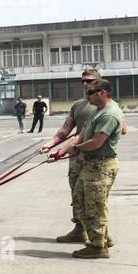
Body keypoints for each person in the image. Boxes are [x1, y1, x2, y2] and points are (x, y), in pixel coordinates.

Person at [42, 68, 122, 247]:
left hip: (94, 157)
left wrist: (81, 144)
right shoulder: (80, 105)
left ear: (100, 85)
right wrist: (53, 146)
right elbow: (66, 129)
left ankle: (99, 240)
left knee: (95, 200)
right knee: (79, 196)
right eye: (83, 82)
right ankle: (81, 230)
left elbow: (120, 129)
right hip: (77, 156)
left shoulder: (108, 107)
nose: (86, 85)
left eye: (90, 82)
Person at [67, 79, 124, 259]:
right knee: (80, 200)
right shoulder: (97, 112)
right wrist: (64, 149)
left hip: (101, 165)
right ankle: (102, 237)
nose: (87, 95)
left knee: (95, 207)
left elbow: (97, 142)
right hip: (90, 164)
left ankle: (98, 246)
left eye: (90, 92)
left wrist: (76, 149)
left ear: (102, 92)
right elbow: (82, 134)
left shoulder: (110, 114)